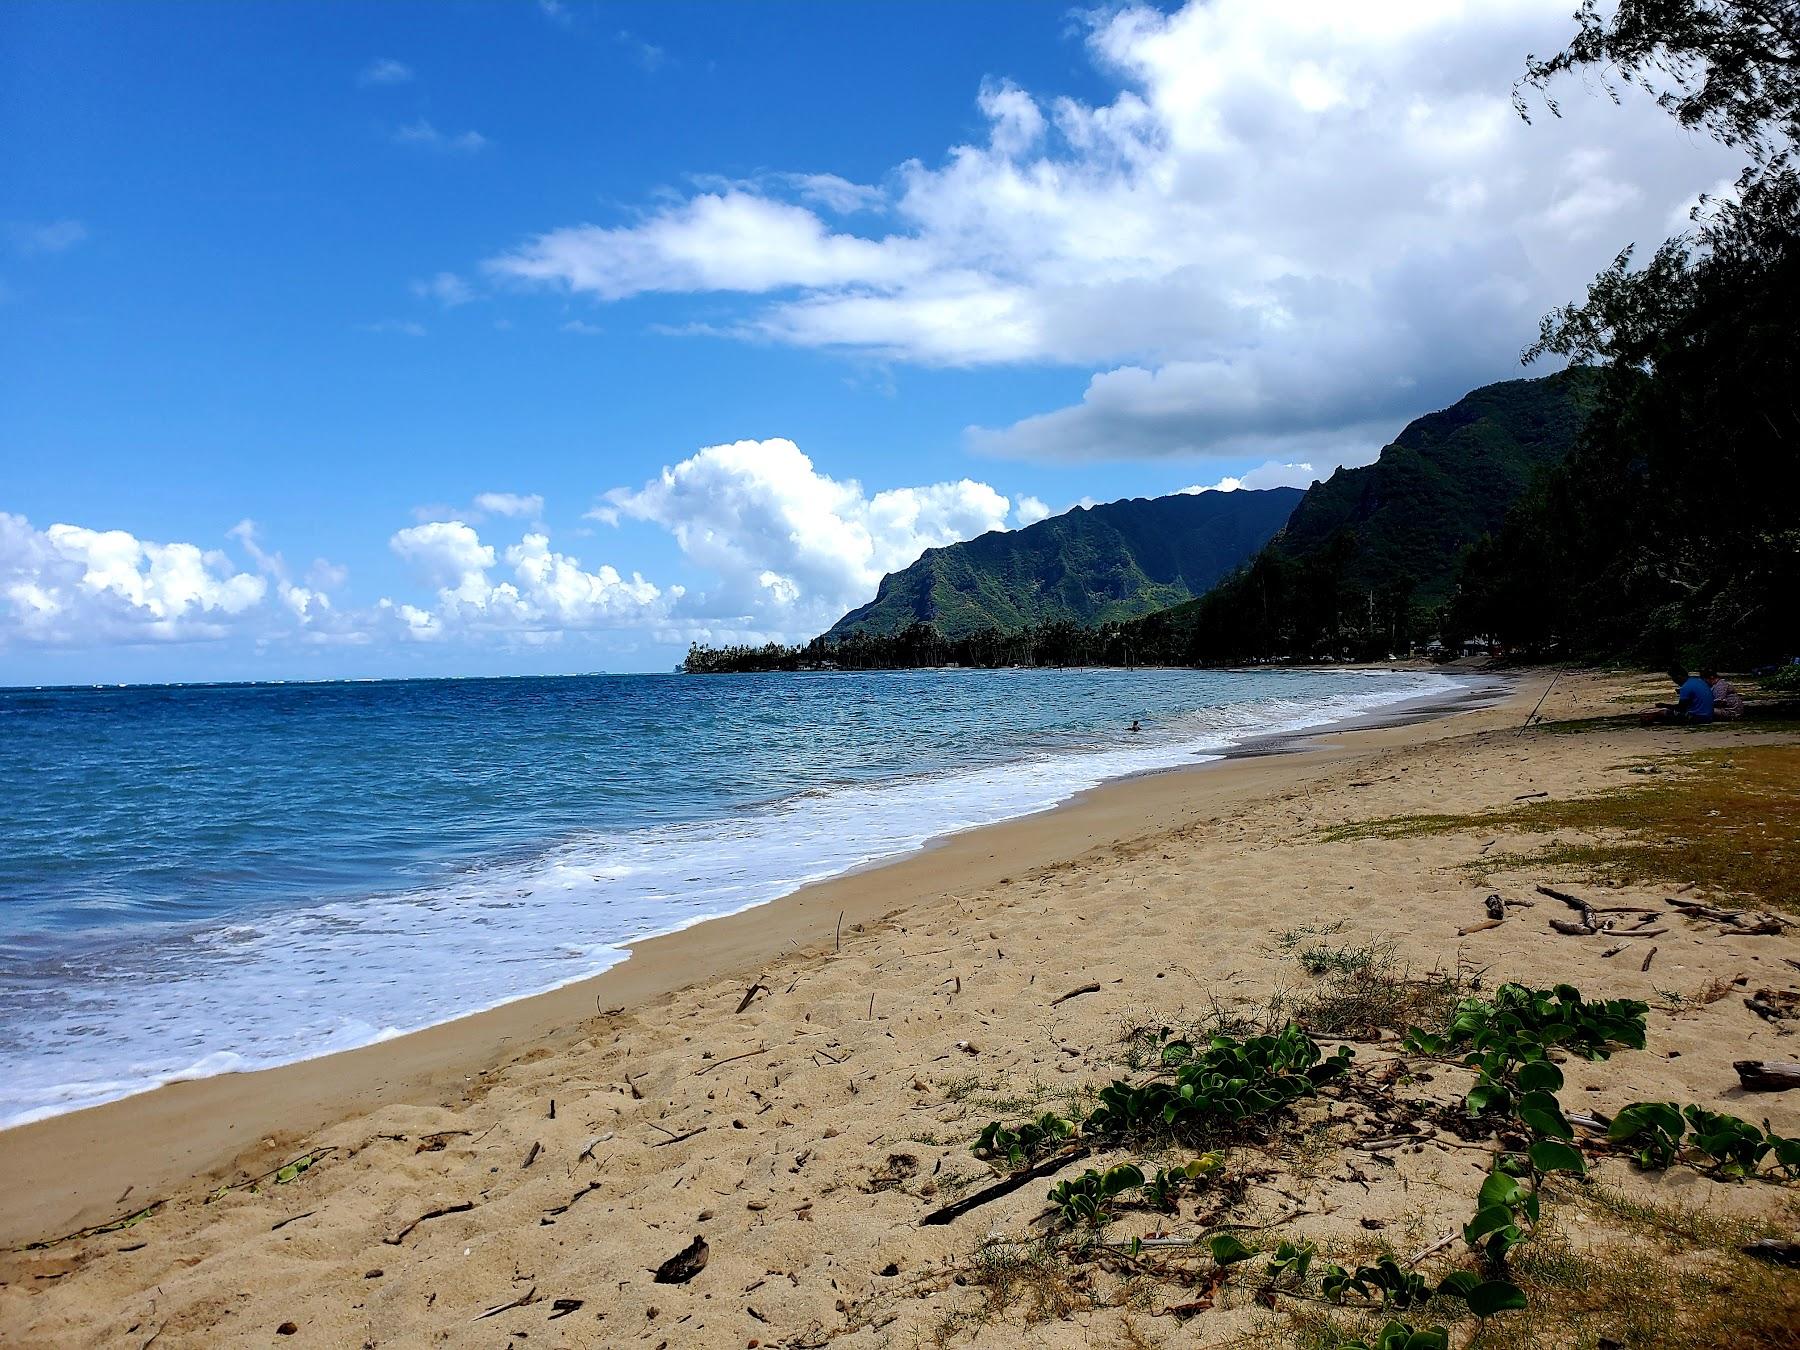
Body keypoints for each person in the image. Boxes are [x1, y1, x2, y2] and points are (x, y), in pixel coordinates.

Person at [1642, 668, 1714, 723]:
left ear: (1679, 676)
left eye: (1674, 678)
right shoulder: (1698, 681)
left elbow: (1681, 708)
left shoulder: (1685, 687)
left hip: (1699, 717)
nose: (1674, 681)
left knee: (1662, 713)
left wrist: (1665, 706)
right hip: (1709, 716)